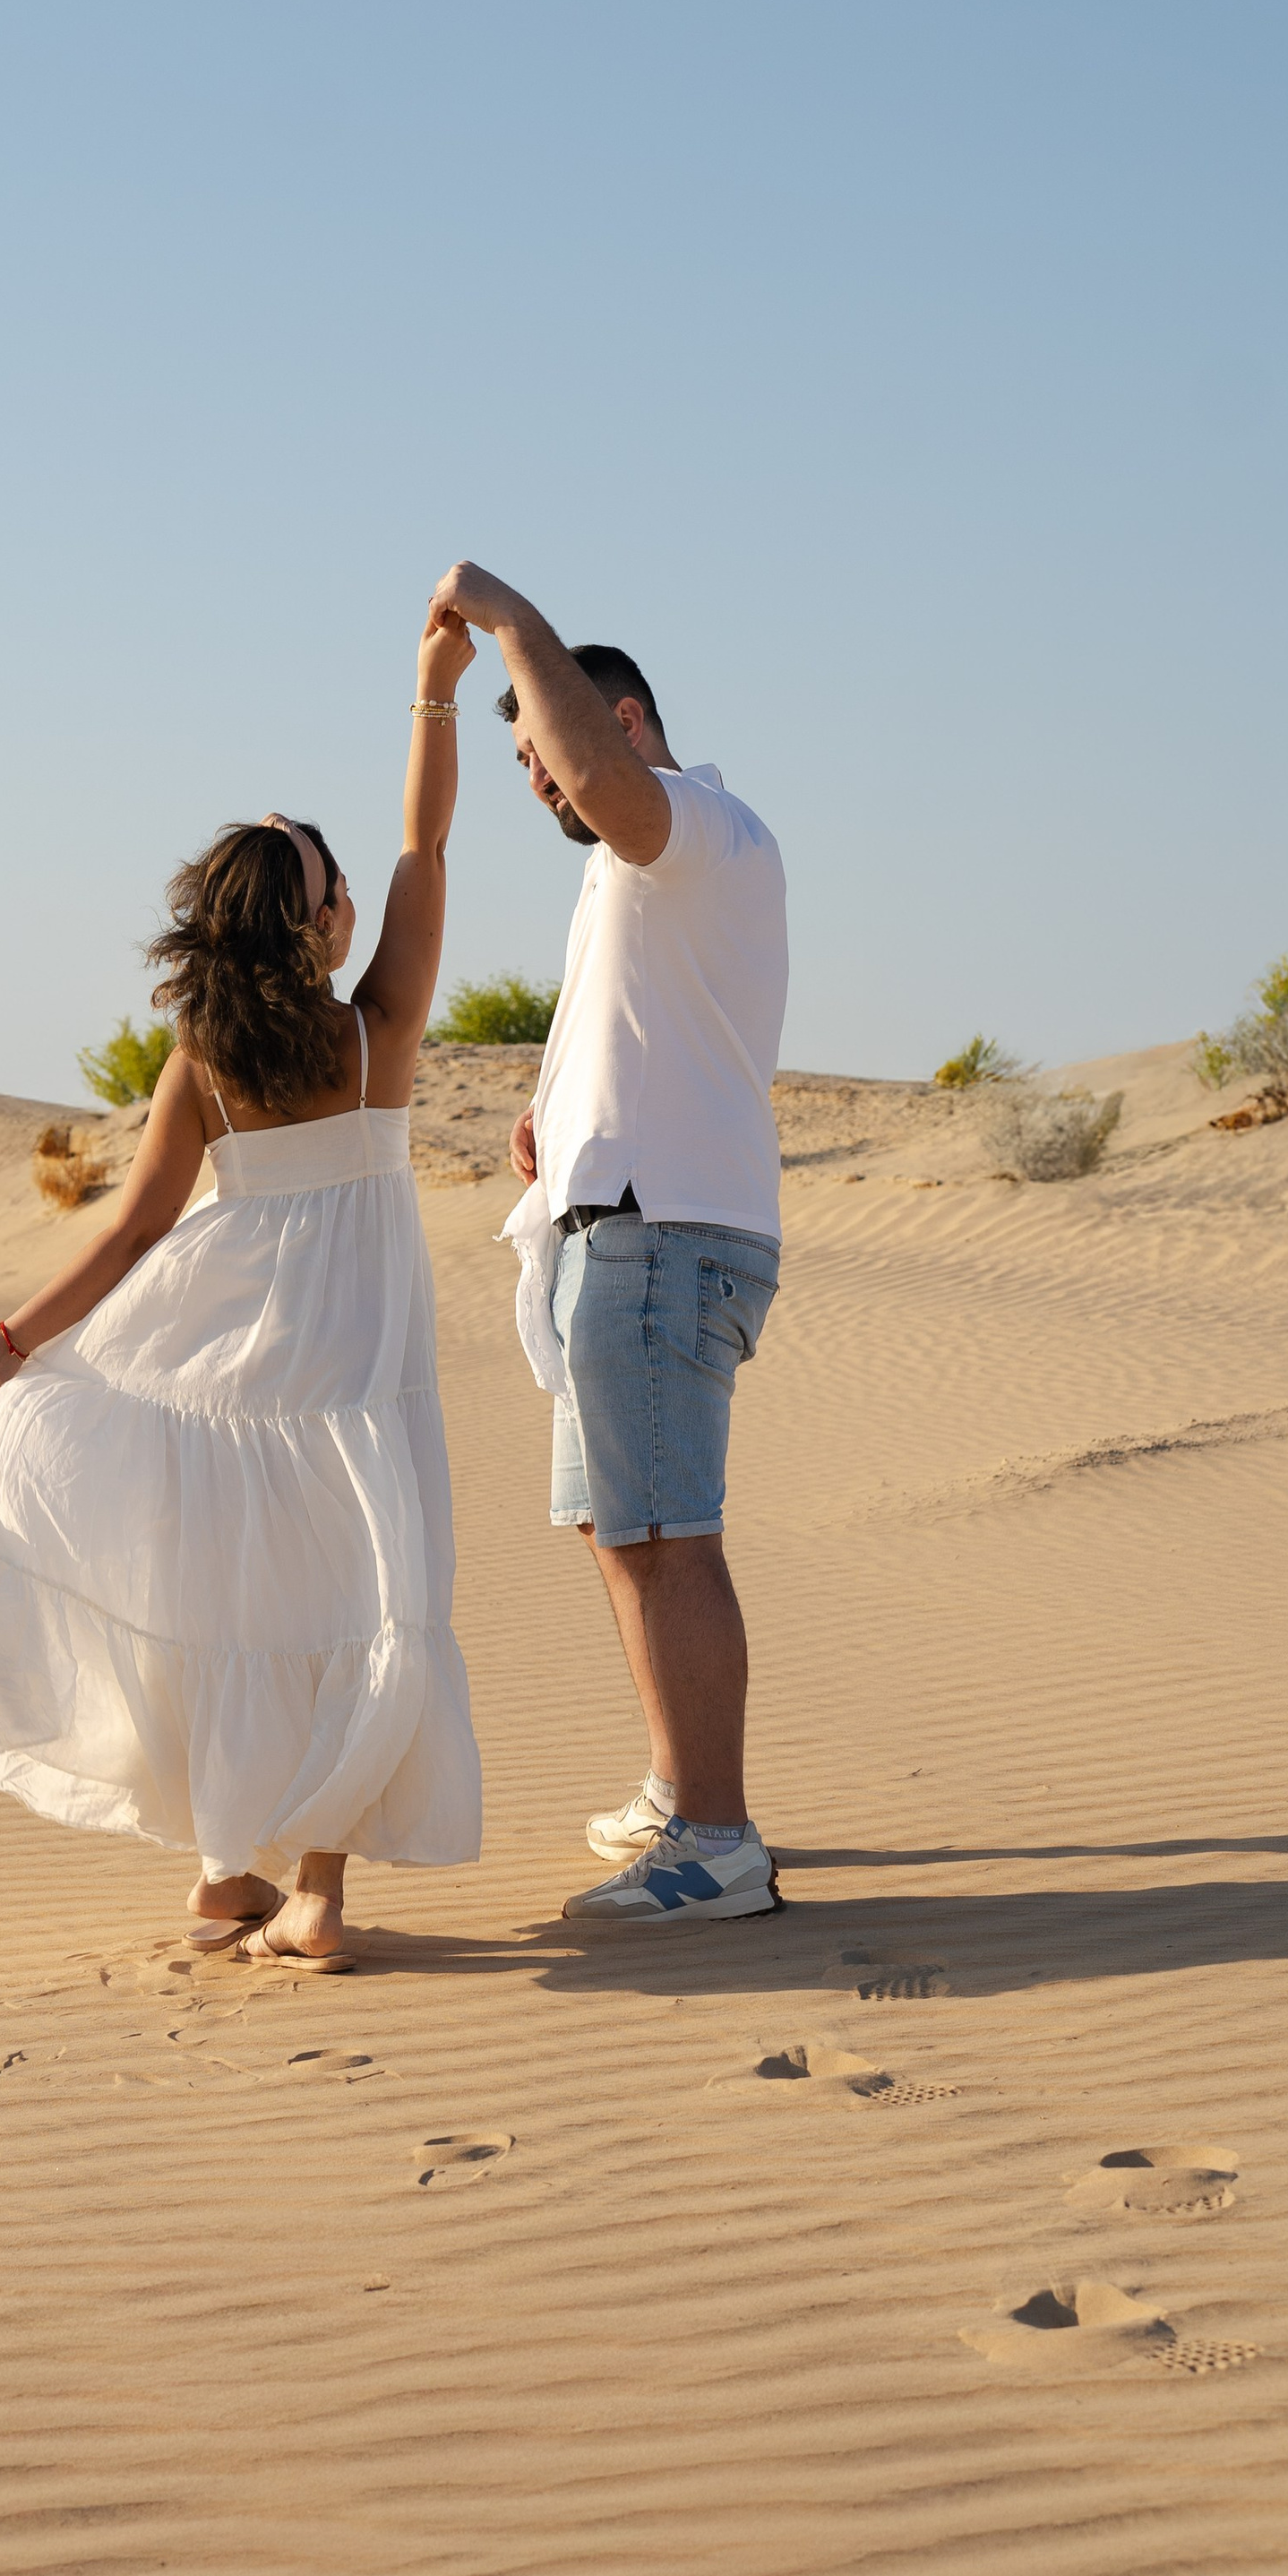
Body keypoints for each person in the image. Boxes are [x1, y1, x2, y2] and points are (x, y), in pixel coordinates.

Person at [0, 603, 485, 1970]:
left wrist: (7, 1343)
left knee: (235, 1608)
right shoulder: (376, 1035)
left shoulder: (205, 1066)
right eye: (337, 888)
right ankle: (315, 1893)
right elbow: (429, 844)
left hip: (236, 1379)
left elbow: (125, 1240)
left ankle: (230, 1874)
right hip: (359, 1386)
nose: (356, 897)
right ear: (324, 927)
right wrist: (433, 697)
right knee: (360, 1611)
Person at [429, 559, 788, 1929]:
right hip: (616, 1227)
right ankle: (677, 1783)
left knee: (667, 1536)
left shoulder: (691, 821)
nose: (543, 785)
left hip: (663, 1239)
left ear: (622, 720)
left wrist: (508, 620)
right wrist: (551, 1112)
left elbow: (609, 789)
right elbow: (651, 1029)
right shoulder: (645, 874)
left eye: (548, 751)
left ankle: (717, 1839)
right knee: (617, 1528)